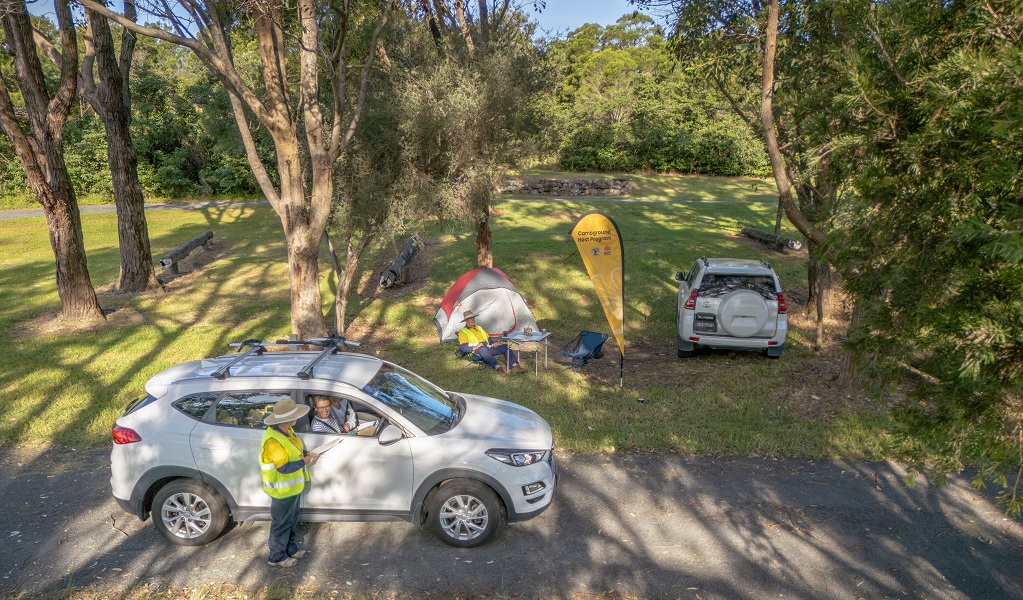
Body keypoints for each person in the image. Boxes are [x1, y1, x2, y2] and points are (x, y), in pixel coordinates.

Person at [260, 399, 319, 568]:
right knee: (281, 524)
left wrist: (307, 453)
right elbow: (284, 468)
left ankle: (291, 550)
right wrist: (305, 461)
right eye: (295, 416)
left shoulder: (287, 431)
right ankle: (276, 557)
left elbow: (293, 451)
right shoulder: (273, 440)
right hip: (281, 491)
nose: (297, 418)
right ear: (287, 419)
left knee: (291, 521)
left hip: (291, 489)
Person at [457, 309, 527, 374]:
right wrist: (474, 347)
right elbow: (463, 347)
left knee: (505, 346)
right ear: (466, 321)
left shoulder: (479, 327)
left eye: (473, 318)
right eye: (470, 319)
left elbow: (488, 338)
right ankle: (498, 367)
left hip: (487, 348)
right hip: (475, 353)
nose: (472, 320)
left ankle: (515, 366)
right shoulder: (463, 332)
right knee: (482, 349)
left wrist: (493, 343)